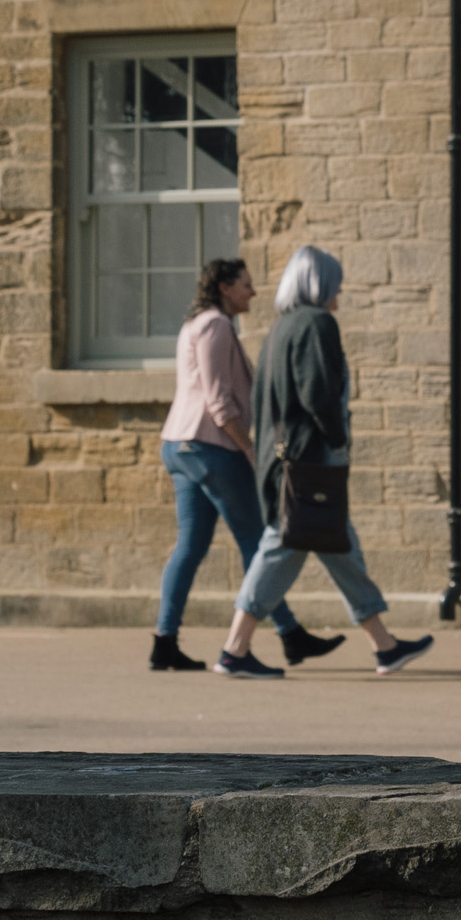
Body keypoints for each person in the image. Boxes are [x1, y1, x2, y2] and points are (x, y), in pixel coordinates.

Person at [215, 247, 435, 677]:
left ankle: (384, 644)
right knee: (283, 546)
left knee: (339, 544)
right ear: (318, 283)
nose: (340, 291)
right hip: (309, 459)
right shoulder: (317, 324)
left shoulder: (281, 327)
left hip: (288, 458)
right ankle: (234, 649)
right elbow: (318, 393)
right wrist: (338, 438)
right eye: (336, 281)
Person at [149, 256, 322, 672]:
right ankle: (276, 639)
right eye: (245, 284)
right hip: (208, 447)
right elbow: (220, 404)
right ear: (225, 287)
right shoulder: (215, 325)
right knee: (255, 540)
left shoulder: (197, 323)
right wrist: (249, 450)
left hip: (183, 445)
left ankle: (165, 643)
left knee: (191, 547)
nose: (253, 292)